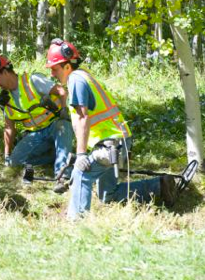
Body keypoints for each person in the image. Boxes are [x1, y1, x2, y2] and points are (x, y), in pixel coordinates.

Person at [45, 38, 182, 219]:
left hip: (111, 145)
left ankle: (76, 222)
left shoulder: (75, 80)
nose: (53, 74)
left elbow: (82, 117)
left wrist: (80, 155)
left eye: (54, 68)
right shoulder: (84, 76)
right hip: (118, 142)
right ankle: (160, 185)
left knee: (80, 173)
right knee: (107, 195)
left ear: (67, 65)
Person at [0, 54, 74, 193]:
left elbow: (61, 91)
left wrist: (63, 111)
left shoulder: (33, 80)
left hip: (54, 125)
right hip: (35, 135)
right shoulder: (5, 99)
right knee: (14, 163)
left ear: (6, 72)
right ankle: (56, 156)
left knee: (63, 126)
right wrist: (7, 156)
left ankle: (62, 177)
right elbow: (9, 128)